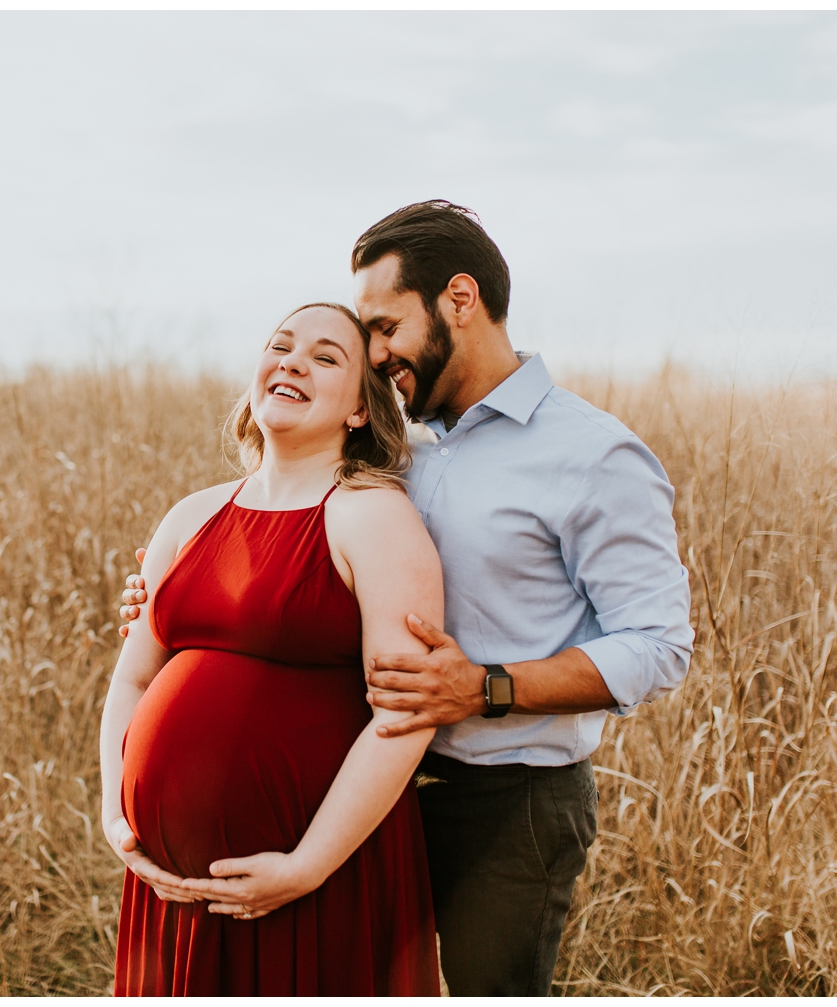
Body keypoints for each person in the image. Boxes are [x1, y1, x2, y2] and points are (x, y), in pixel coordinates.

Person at [120, 201, 695, 995]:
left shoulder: (592, 454)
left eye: (385, 325)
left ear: (459, 299)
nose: (376, 349)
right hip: (365, 789)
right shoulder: (403, 445)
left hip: (505, 796)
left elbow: (658, 646)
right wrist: (186, 595)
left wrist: (489, 686)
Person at [99, 302, 443, 995]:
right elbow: (133, 679)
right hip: (171, 893)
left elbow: (405, 713)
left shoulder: (372, 515)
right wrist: (118, 819)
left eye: (324, 356)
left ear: (358, 410)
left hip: (314, 881)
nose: (291, 361)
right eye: (280, 346)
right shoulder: (192, 515)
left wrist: (307, 865)